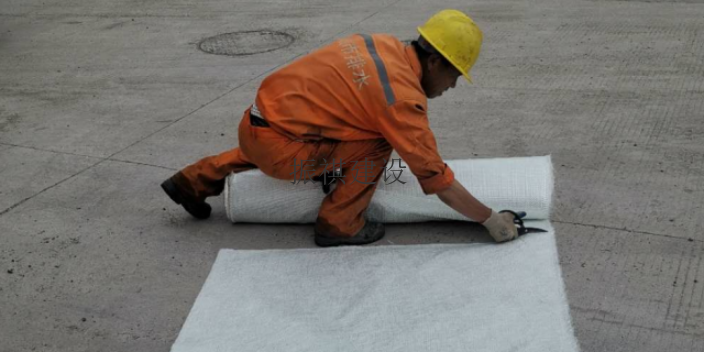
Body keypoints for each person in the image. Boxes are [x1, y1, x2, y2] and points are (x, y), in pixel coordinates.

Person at [161, 9, 521, 247]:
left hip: (255, 126)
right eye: (454, 75)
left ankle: (192, 180)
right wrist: (491, 220)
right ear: (432, 61)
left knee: (314, 129)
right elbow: (435, 177)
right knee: (380, 141)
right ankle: (340, 223)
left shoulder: (381, 44)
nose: (452, 87)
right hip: (284, 152)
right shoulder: (401, 100)